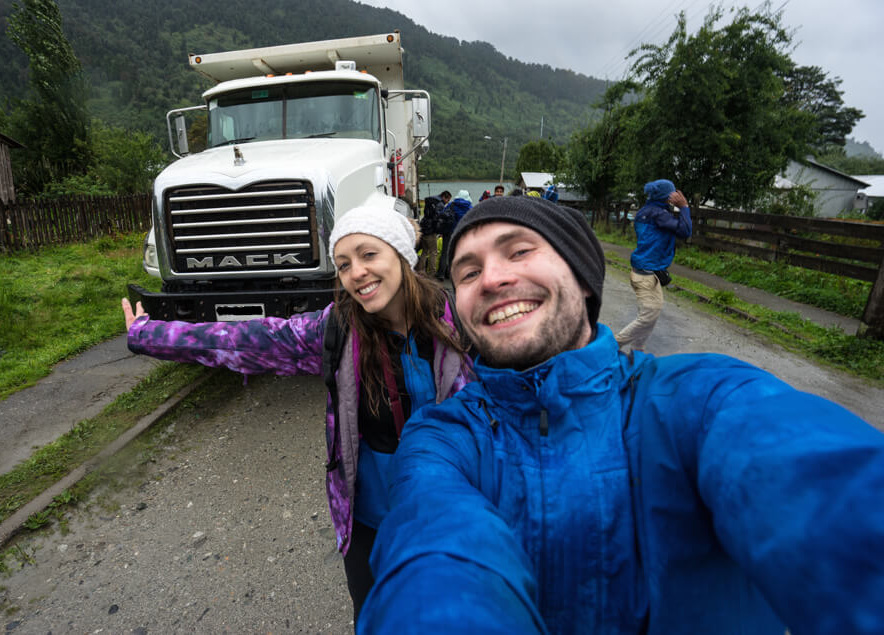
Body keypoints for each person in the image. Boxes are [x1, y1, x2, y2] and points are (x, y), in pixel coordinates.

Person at [358, 196, 884, 634]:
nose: (491, 278)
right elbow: (433, 547)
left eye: (519, 251)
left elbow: (823, 486)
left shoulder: (698, 399)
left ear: (585, 280)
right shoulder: (444, 436)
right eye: (467, 271)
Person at [122, 195, 473, 621]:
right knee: (377, 616)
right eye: (343, 264)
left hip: (453, 509)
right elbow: (243, 341)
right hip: (370, 518)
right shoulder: (335, 329)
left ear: (400, 254)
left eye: (368, 254)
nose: (356, 273)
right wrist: (148, 334)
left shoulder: (460, 321)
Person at [614, 178, 691, 351]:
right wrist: (684, 207)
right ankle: (612, 345)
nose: (674, 196)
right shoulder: (658, 214)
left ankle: (637, 352)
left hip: (646, 272)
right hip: (646, 274)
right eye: (672, 193)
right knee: (649, 316)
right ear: (666, 195)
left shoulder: (647, 211)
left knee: (650, 315)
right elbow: (685, 231)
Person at [434, 189, 473, 280]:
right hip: (462, 233)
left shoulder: (452, 204)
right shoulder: (469, 207)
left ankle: (441, 274)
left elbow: (442, 213)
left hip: (449, 232)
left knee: (445, 252)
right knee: (458, 253)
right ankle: (454, 273)